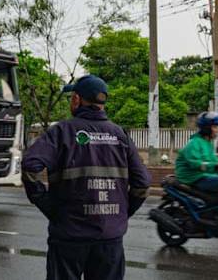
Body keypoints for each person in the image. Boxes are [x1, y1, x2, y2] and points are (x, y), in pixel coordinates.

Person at [21, 75, 151, 280]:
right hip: (110, 238)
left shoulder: (62, 131)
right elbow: (142, 184)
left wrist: (50, 207)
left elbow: (30, 167)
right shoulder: (120, 135)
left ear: (76, 99)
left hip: (69, 236)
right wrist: (120, 214)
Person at [174, 111, 218, 232]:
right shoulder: (194, 143)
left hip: (204, 176)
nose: (217, 130)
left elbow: (214, 162)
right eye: (215, 127)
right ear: (207, 128)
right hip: (195, 178)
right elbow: (196, 164)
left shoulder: (207, 143)